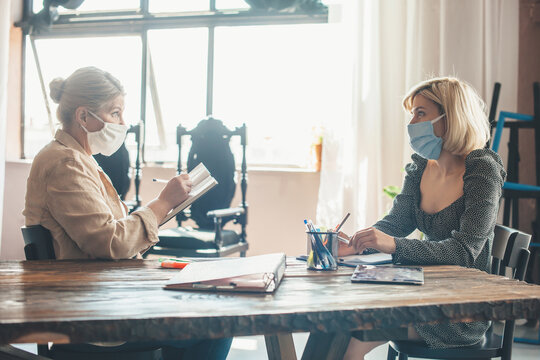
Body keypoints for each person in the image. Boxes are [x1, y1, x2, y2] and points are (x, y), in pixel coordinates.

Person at [23, 66, 232, 360]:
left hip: (105, 294)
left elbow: (110, 231)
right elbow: (112, 242)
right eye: (115, 113)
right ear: (84, 116)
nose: (123, 123)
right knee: (219, 320)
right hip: (94, 311)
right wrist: (161, 202)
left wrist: (166, 204)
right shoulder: (64, 163)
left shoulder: (81, 160)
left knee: (208, 299)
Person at [338, 77, 506, 359]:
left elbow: (464, 253)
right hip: (423, 293)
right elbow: (396, 223)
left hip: (460, 312)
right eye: (412, 114)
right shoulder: (420, 169)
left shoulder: (482, 171)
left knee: (355, 336)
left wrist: (394, 245)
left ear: (450, 117)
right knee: (335, 322)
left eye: (420, 113)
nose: (412, 123)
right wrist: (359, 241)